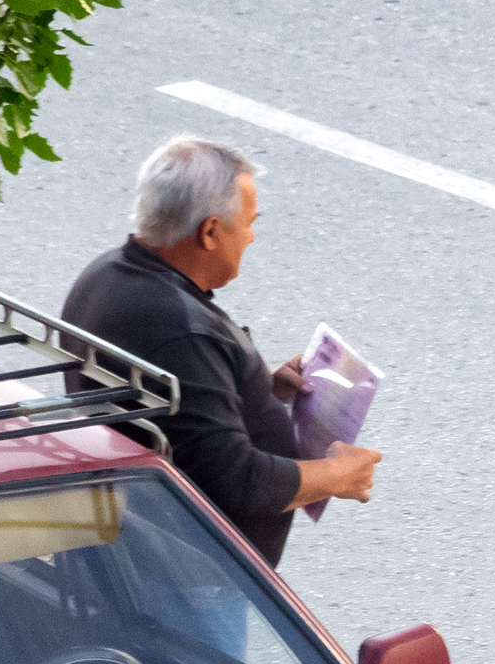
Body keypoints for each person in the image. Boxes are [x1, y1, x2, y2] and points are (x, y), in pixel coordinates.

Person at [62, 135, 381, 568]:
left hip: (131, 543)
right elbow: (236, 480)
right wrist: (337, 475)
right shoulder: (184, 331)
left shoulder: (103, 277)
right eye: (249, 222)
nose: (251, 237)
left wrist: (260, 390)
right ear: (210, 231)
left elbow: (172, 409)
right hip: (189, 577)